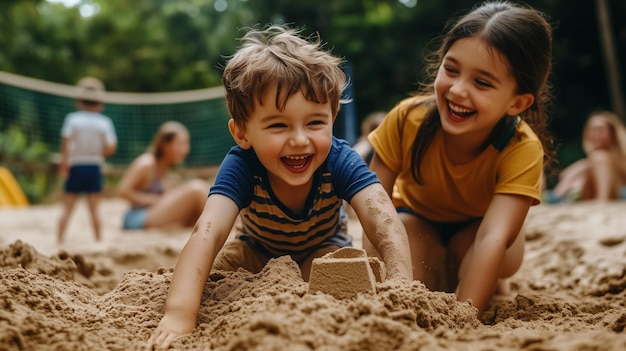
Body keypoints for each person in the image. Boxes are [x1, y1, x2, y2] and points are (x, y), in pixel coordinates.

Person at [148, 25, 413, 348]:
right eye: (278, 125)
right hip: (254, 251)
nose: (300, 140)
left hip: (324, 248)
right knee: (212, 279)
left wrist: (402, 288)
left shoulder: (340, 158)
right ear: (242, 133)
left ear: (333, 117)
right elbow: (208, 231)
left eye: (315, 122)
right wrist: (179, 314)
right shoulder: (242, 164)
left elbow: (383, 217)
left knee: (342, 271)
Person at [362, 1, 555, 319]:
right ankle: (446, 268)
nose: (458, 90)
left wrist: (463, 318)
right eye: (451, 70)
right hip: (417, 217)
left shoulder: (521, 147)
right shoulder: (406, 119)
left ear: (517, 102)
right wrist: (388, 288)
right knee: (407, 254)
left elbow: (491, 238)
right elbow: (374, 207)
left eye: (482, 82)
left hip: (483, 228)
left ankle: (482, 278)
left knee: (481, 259)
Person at [117, 121, 210, 230]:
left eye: (186, 144)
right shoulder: (146, 163)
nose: (185, 150)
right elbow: (123, 191)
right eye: (180, 144)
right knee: (196, 188)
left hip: (152, 213)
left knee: (199, 202)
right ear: (165, 145)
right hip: (138, 217)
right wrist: (155, 200)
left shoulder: (166, 169)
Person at [57, 77, 117, 244]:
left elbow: (65, 141)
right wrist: (99, 155)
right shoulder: (104, 122)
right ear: (100, 101)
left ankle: (59, 240)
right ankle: (98, 241)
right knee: (94, 209)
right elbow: (112, 146)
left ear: (79, 100)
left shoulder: (72, 119)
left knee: (67, 208)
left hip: (76, 166)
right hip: (94, 167)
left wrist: (64, 163)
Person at [548, 110, 626, 202]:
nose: (596, 134)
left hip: (614, 195)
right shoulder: (591, 160)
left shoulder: (615, 157)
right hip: (588, 196)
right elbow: (564, 177)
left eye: (600, 130)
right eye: (591, 130)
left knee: (599, 158)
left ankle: (602, 201)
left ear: (612, 133)